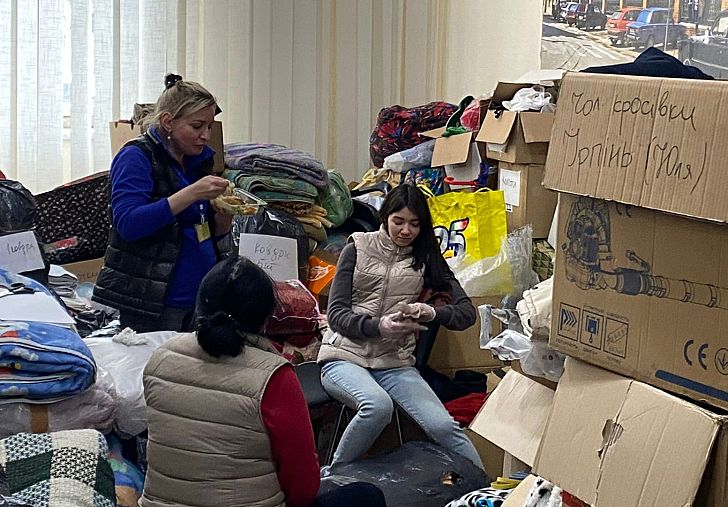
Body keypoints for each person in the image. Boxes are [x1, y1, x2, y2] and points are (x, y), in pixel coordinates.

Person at [140, 256, 387, 507]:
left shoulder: (162, 356)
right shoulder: (274, 377)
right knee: (366, 496)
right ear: (266, 318)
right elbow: (303, 489)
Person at [318, 184, 484, 469]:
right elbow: (336, 314)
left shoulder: (426, 259)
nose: (406, 230)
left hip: (394, 363)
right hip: (344, 356)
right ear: (385, 217)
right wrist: (379, 326)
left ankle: (491, 491)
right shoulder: (358, 246)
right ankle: (331, 476)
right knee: (377, 406)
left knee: (444, 426)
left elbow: (467, 314)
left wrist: (431, 312)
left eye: (414, 224)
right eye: (398, 221)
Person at [94, 74, 234, 333]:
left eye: (210, 127)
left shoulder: (197, 160)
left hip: (199, 299)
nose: (205, 135)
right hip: (154, 302)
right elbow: (128, 223)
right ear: (168, 122)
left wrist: (223, 220)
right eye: (197, 126)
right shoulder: (135, 157)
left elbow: (199, 230)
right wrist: (190, 194)